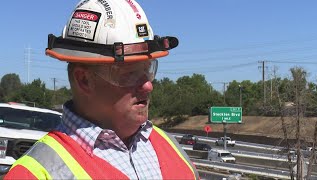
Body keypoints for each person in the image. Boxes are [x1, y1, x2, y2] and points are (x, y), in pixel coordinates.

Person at [5, 0, 199, 179]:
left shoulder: (171, 147)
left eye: (148, 70)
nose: (148, 85)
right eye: (129, 73)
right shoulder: (35, 173)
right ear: (85, 80)